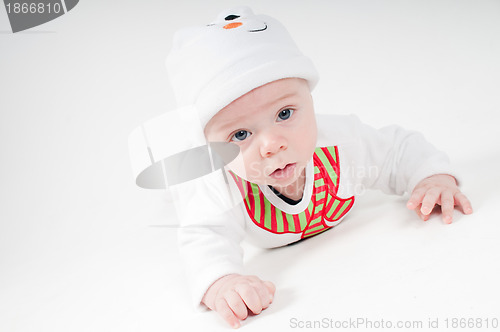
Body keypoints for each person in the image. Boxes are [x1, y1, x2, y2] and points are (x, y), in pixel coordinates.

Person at [131, 6, 473, 329]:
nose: (272, 144)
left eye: (284, 114)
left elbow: (397, 149)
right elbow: (204, 235)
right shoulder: (220, 184)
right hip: (197, 175)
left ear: (310, 99)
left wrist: (430, 176)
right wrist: (222, 281)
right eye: (240, 134)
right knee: (187, 192)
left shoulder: (342, 143)